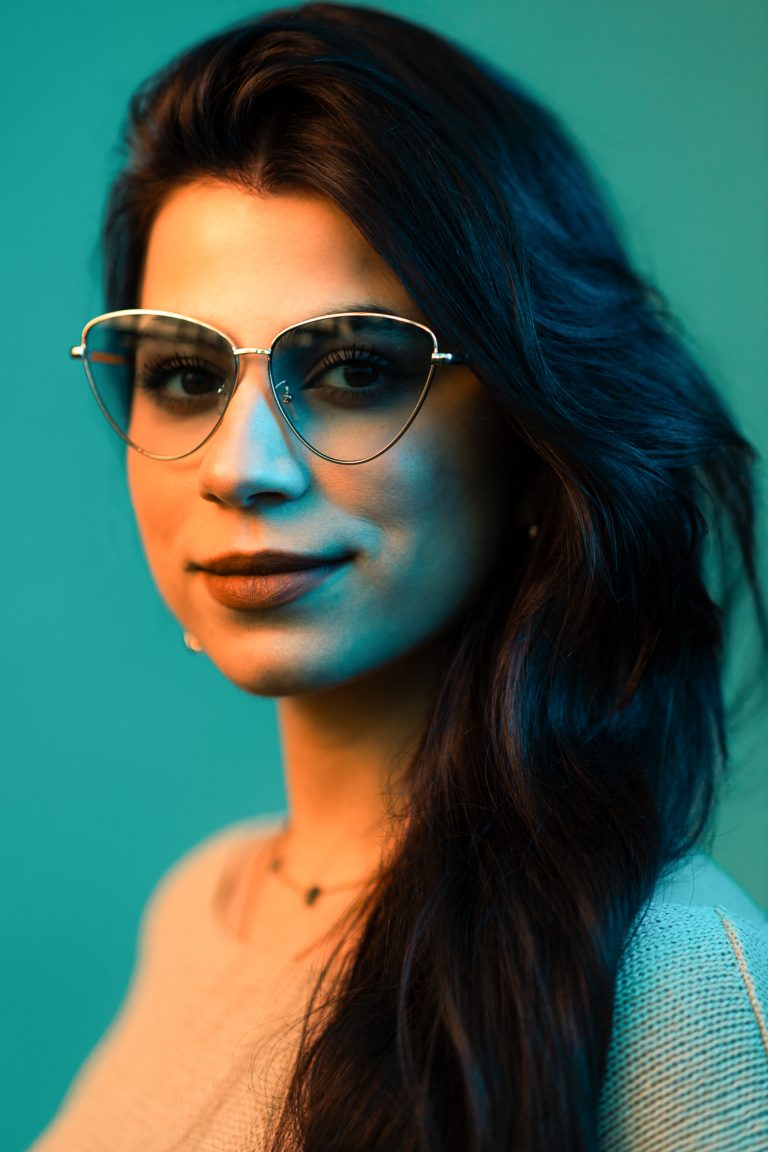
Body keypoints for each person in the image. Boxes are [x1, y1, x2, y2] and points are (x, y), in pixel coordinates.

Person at [30, 3, 768, 1150]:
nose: (242, 468)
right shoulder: (202, 906)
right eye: (183, 374)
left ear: (531, 436)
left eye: (354, 368)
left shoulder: (664, 979)